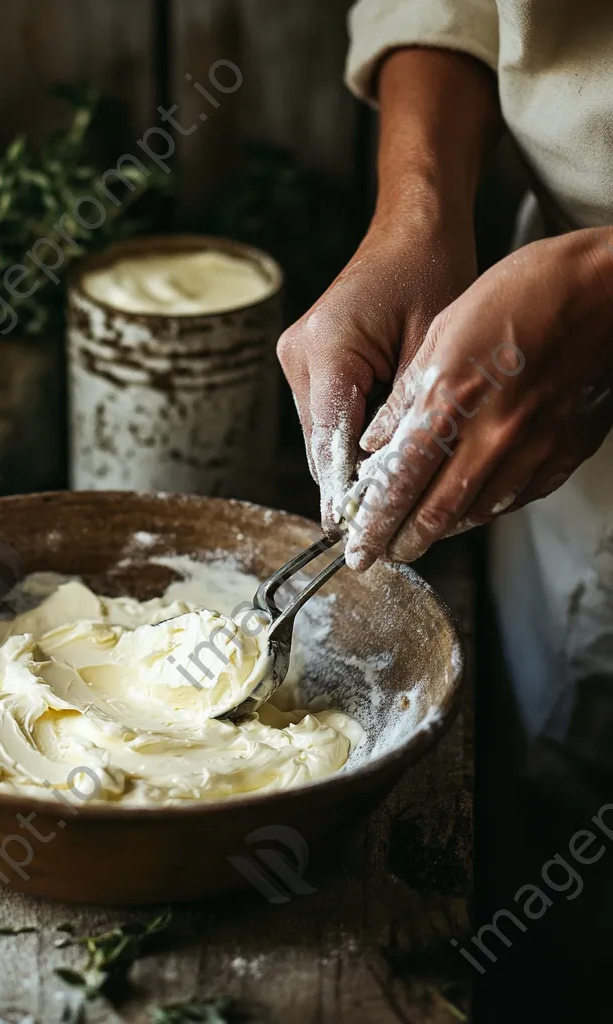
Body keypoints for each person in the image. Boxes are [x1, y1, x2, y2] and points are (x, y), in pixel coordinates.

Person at [277, 2, 613, 788]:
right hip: (537, 373)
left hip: (558, 326)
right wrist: (416, 213)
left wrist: (602, 293)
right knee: (561, 783)